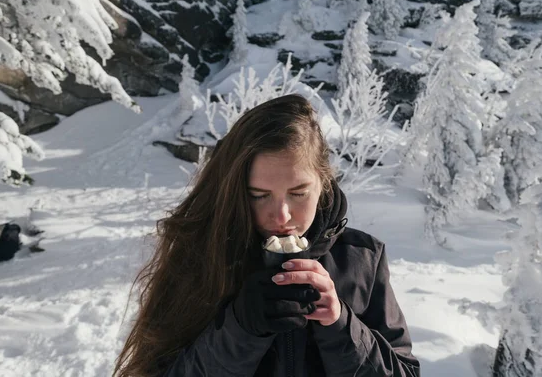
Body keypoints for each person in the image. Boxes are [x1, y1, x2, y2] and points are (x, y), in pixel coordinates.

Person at [114, 94, 420, 377]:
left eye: (298, 193)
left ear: (323, 183)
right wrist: (239, 331)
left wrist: (341, 325)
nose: (282, 216)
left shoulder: (363, 258)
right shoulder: (201, 253)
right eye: (259, 195)